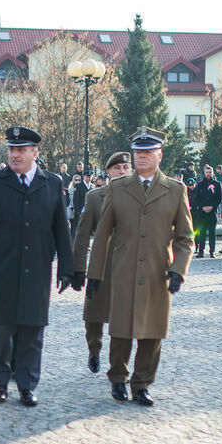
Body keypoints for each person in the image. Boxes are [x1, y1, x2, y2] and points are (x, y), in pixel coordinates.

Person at [0, 125, 74, 407]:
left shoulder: (51, 184)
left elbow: (62, 229)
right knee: (0, 329)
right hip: (2, 269)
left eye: (21, 150)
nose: (15, 154)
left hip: (37, 270)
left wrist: (66, 268)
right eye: (11, 149)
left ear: (35, 153)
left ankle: (26, 384)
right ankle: (0, 381)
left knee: (32, 330)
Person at [86, 126, 194, 407]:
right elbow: (102, 235)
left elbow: (186, 238)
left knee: (152, 332)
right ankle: (118, 378)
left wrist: (179, 270)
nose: (141, 157)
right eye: (138, 153)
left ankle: (142, 383)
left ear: (159, 155)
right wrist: (94, 273)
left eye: (147, 152)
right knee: (121, 329)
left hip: (158, 272)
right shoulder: (118, 188)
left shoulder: (175, 190)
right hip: (123, 271)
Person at [72, 150, 131, 372]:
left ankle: (118, 366)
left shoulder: (138, 197)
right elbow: (82, 233)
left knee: (123, 319)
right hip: (101, 265)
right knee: (94, 317)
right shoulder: (95, 197)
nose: (122, 171)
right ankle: (94, 350)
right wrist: (78, 268)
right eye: (117, 168)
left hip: (128, 267)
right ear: (108, 172)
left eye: (126, 168)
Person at [191, 164, 222, 258]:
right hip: (202, 213)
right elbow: (196, 199)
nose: (208, 174)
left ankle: (212, 252)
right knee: (202, 233)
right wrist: (202, 207)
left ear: (212, 173)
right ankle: (201, 251)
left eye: (210, 172)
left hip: (213, 212)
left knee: (212, 232)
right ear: (204, 173)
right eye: (207, 172)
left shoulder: (217, 184)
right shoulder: (200, 185)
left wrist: (212, 206)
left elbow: (219, 198)